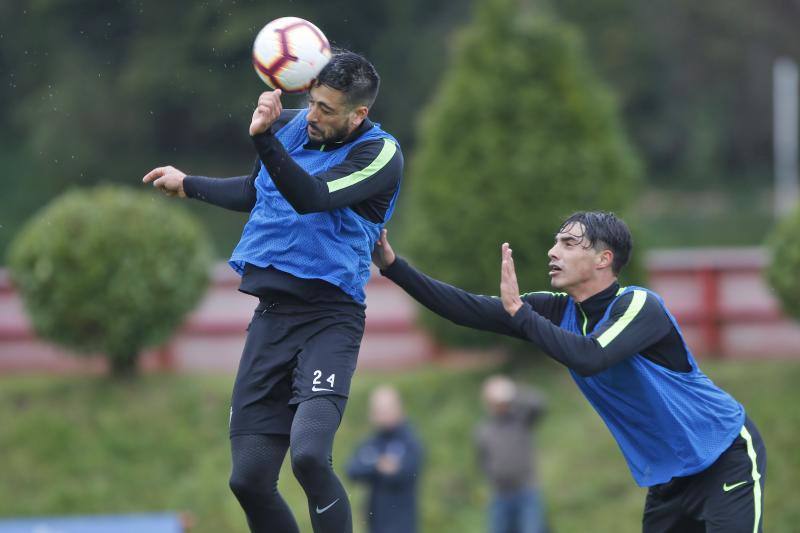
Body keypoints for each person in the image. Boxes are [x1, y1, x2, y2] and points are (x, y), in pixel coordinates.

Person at [371, 211, 766, 533]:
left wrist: (521, 315)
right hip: (669, 478)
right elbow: (466, 309)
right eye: (556, 241)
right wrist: (392, 266)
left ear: (603, 258)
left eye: (568, 243)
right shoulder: (556, 310)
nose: (552, 251)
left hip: (724, 454)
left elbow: (590, 356)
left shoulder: (640, 305)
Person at [142, 51, 404, 533]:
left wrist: (263, 139)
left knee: (308, 456)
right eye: (310, 102)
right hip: (272, 317)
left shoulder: (379, 153)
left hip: (330, 317)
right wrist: (189, 185)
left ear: (358, 114)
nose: (313, 116)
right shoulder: (289, 126)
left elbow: (311, 197)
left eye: (327, 109)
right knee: (249, 479)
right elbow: (262, 189)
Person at [346, 385, 424, 533]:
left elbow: (407, 471)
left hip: (402, 524)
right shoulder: (371, 442)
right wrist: (377, 465)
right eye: (378, 410)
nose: (382, 414)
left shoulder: (409, 440)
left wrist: (375, 465)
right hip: (375, 523)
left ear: (399, 408)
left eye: (387, 408)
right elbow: (351, 469)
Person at [476, 375, 547, 533]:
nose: (499, 405)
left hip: (526, 491)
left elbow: (539, 402)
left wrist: (513, 390)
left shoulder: (522, 420)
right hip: (500, 495)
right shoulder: (483, 430)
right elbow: (482, 460)